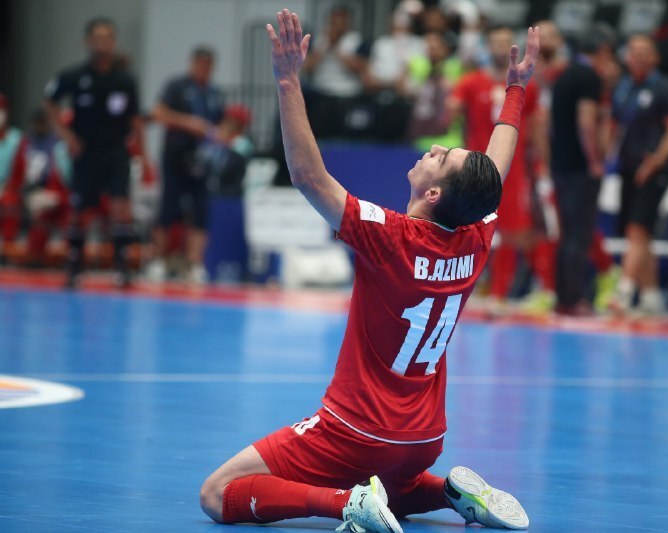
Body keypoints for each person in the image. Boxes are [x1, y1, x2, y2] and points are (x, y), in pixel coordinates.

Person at [199, 10, 535, 532]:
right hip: (424, 438)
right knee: (393, 487)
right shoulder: (475, 237)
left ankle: (346, 505)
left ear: (433, 192)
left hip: (356, 430)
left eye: (443, 157)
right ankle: (450, 493)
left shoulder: (389, 236)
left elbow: (308, 177)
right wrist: (516, 93)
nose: (435, 148)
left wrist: (287, 81)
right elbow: (497, 169)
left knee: (218, 494)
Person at [446, 24, 541, 315]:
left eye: (506, 42)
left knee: (512, 231)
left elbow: (536, 129)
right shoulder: (470, 82)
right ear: (487, 47)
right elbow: (448, 114)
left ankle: (500, 293)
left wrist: (539, 164)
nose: (501, 48)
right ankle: (462, 288)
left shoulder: (528, 86)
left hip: (512, 168)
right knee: (467, 227)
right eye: (496, 43)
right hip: (475, 168)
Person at [44, 17, 143, 288]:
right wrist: (67, 136)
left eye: (107, 38)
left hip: (116, 150)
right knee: (80, 210)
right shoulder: (75, 76)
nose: (102, 43)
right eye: (97, 38)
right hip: (85, 152)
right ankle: (75, 266)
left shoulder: (125, 79)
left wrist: (143, 157)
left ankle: (122, 268)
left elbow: (135, 120)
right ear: (88, 41)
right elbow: (49, 103)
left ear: (113, 42)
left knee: (120, 208)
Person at [607, 35, 668, 316]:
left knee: (637, 230)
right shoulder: (624, 87)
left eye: (645, 52)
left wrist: (657, 160)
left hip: (654, 169)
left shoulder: (665, 88)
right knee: (642, 234)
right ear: (627, 58)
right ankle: (651, 297)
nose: (639, 56)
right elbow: (615, 124)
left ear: (655, 58)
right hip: (628, 167)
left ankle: (624, 292)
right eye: (634, 52)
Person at [550, 24, 617, 315]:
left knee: (567, 235)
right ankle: (573, 299)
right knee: (580, 235)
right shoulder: (590, 78)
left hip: (560, 165)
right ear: (602, 51)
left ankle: (562, 297)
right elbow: (586, 122)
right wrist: (594, 161)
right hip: (580, 168)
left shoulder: (564, 75)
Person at [148, 46, 224, 284]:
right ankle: (158, 260)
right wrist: (188, 123)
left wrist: (220, 135)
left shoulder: (214, 93)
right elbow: (158, 113)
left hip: (202, 158)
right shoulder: (177, 87)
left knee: (201, 211)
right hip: (175, 156)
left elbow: (220, 123)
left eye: (208, 65)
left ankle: (194, 263)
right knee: (168, 208)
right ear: (192, 64)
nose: (203, 69)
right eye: (200, 63)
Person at [302, 5, 366, 139]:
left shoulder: (356, 40)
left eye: (341, 23)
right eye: (334, 23)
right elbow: (308, 68)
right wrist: (326, 46)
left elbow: (358, 68)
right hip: (321, 93)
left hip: (347, 94)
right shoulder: (319, 40)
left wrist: (336, 48)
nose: (338, 27)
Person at [22, 108, 72, 266]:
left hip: (71, 195)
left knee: (70, 214)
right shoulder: (54, 148)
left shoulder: (76, 147)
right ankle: (35, 256)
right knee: (42, 213)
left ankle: (71, 256)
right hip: (50, 191)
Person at [0, 93, 26, 262]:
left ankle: (7, 251)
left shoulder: (16, 139)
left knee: (10, 202)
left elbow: (20, 172)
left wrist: (7, 188)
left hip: (9, 188)